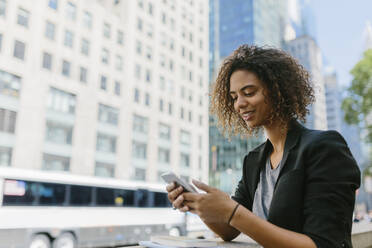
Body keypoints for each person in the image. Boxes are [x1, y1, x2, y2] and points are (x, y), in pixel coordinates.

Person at [167, 45, 361, 248]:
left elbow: (324, 244)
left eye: (249, 92)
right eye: (234, 97)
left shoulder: (324, 147)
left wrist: (231, 211)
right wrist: (199, 206)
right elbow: (230, 229)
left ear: (279, 91)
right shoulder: (253, 159)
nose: (239, 104)